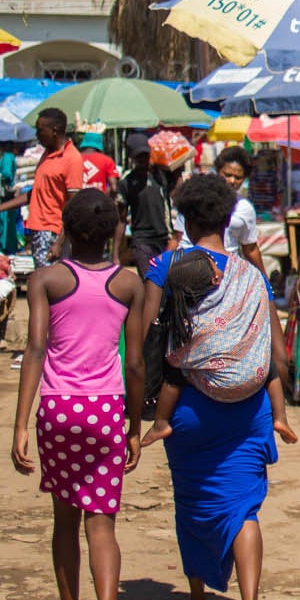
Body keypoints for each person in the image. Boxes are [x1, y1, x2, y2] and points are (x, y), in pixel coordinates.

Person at [127, 172, 290, 600]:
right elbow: (277, 354)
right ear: (227, 219)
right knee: (243, 509)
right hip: (249, 409)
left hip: (191, 407)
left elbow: (150, 337)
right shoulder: (252, 277)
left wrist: (144, 410)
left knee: (193, 504)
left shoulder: (166, 265)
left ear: (185, 218)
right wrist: (277, 405)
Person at [9, 189, 138, 600]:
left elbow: (36, 347)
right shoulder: (129, 283)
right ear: (112, 232)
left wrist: (21, 423)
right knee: (101, 526)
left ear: (64, 228)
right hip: (106, 409)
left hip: (59, 409)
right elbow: (134, 362)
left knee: (65, 521)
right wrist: (132, 423)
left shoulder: (45, 279)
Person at [139, 249, 296, 452]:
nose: (220, 269)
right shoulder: (240, 293)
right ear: (214, 281)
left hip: (210, 389)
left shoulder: (188, 319)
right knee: (270, 368)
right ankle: (281, 417)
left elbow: (174, 357)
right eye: (215, 267)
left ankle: (161, 422)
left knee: (174, 374)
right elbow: (275, 351)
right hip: (251, 382)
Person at [0, 109, 83, 267]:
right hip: (39, 229)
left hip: (53, 232)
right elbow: (35, 194)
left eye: (40, 130)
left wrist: (59, 243)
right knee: (44, 279)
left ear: (54, 131)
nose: (37, 135)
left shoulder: (71, 158)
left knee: (51, 282)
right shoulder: (47, 154)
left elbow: (73, 206)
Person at [119, 131, 175, 414]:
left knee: (165, 290)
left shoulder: (162, 176)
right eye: (138, 156)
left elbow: (173, 200)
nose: (143, 160)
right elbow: (122, 218)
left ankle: (160, 336)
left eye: (146, 155)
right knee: (151, 285)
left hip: (163, 238)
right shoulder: (127, 183)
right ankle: (147, 339)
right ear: (131, 157)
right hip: (141, 241)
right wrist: (118, 252)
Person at [174, 146, 261, 271]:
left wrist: (266, 282)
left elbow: (250, 248)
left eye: (238, 177)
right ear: (218, 171)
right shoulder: (195, 197)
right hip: (189, 264)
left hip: (227, 269)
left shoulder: (245, 208)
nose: (232, 181)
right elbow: (177, 237)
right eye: (227, 175)